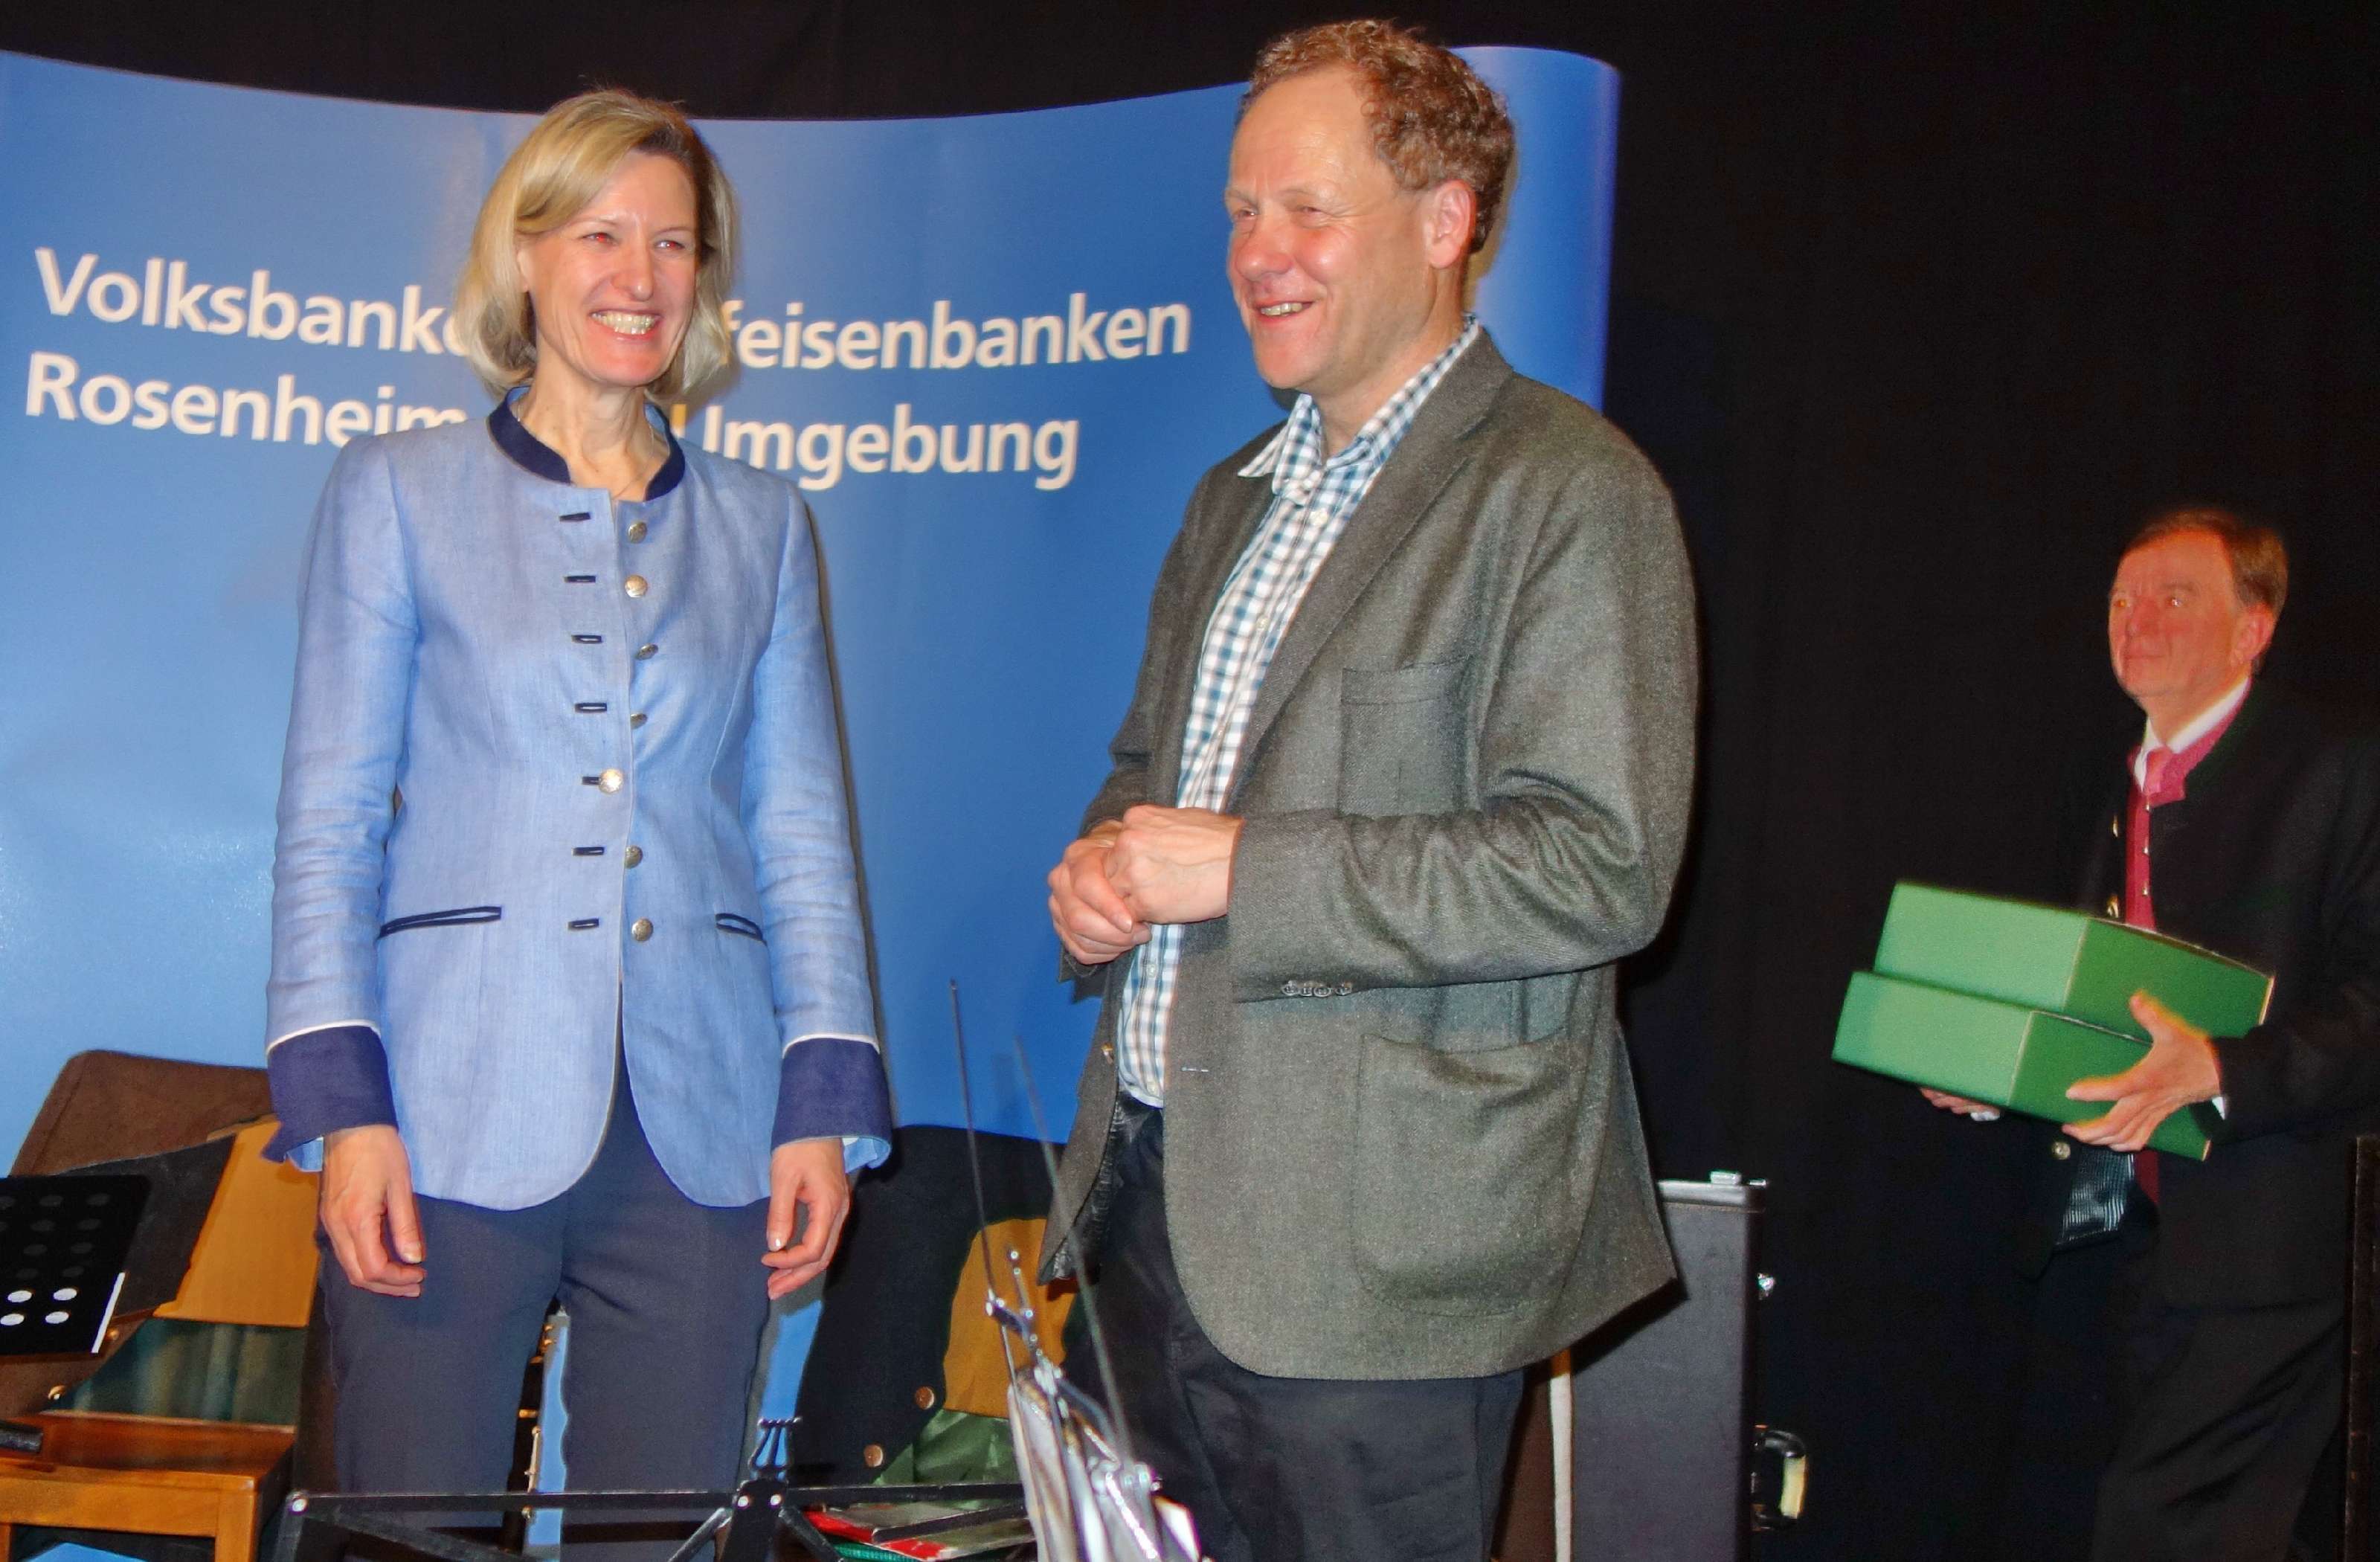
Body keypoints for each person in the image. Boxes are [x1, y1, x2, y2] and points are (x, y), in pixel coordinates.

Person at [1039, 22, 1697, 1562]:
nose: (1257, 253)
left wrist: (1241, 870)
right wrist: (1100, 870)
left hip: (1378, 1273)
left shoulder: (1570, 491)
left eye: (1307, 209)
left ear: (1445, 220)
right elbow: (1146, 780)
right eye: (1240, 212)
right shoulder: (1233, 499)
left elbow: (1598, 866)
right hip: (1146, 1218)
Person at [262, 89, 890, 1522]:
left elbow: (800, 833)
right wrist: (346, 1114)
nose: (640, 275)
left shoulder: (764, 524)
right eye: (601, 234)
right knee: (412, 1528)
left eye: (673, 243)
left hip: (704, 1126)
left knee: (658, 1538)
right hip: (446, 1108)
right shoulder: (395, 492)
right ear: (526, 255)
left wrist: (821, 1110)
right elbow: (330, 822)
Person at [1928, 507, 2380, 1559]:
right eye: (2122, 599)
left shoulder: (2342, 768)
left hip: (2280, 1247)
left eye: (2175, 597)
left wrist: (2219, 1070)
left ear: (2253, 629)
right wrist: (2006, 1077)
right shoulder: (2113, 783)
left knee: (2161, 1526)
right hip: (2140, 1244)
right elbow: (2107, 1010)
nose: (2137, 621)